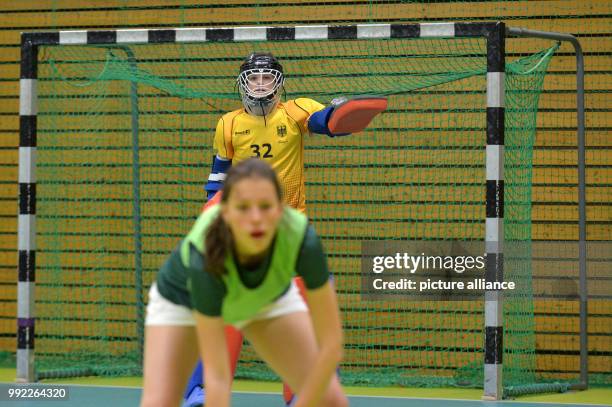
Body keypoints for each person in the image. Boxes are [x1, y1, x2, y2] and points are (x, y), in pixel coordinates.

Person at [185, 51, 385, 406]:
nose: (260, 83)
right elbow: (218, 179)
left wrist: (341, 113)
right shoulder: (228, 124)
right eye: (254, 77)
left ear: (278, 82)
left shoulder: (294, 111)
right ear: (243, 83)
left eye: (266, 76)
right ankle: (202, 392)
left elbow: (326, 122)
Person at [141, 158, 348, 407]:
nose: (256, 218)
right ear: (226, 212)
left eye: (265, 206)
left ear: (281, 208)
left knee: (331, 398)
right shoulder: (204, 258)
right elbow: (216, 376)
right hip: (181, 300)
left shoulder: (303, 240)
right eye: (244, 207)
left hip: (263, 292)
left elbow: (331, 346)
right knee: (161, 399)